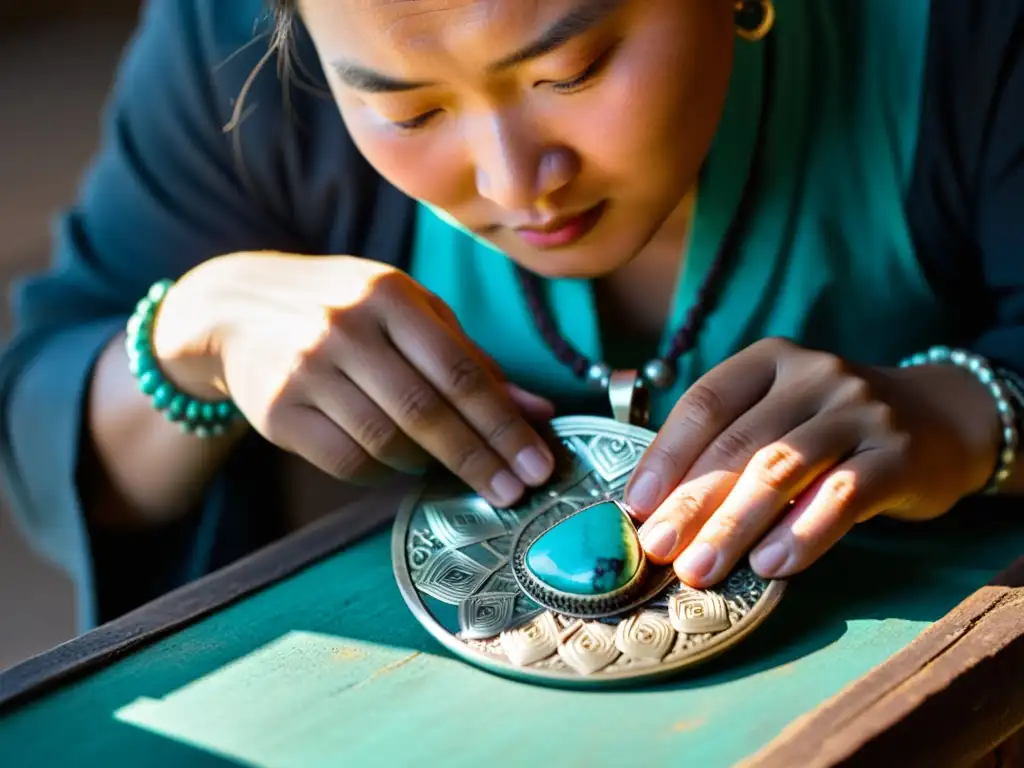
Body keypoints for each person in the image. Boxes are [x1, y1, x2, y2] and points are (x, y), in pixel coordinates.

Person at [2, 0, 1023, 631]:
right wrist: (191, 340)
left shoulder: (967, 31)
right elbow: (44, 423)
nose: (515, 181)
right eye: (407, 112)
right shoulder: (230, 47)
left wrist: (970, 413)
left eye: (568, 72)